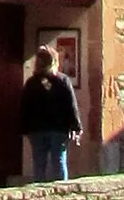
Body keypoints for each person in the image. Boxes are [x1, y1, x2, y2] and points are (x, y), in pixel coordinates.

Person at [18, 45, 83, 183]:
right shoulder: (62, 80)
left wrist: (23, 128)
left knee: (39, 163)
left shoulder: (31, 83)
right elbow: (71, 104)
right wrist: (76, 126)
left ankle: (37, 194)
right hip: (59, 128)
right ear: (54, 61)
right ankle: (62, 193)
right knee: (58, 161)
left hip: (37, 129)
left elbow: (24, 106)